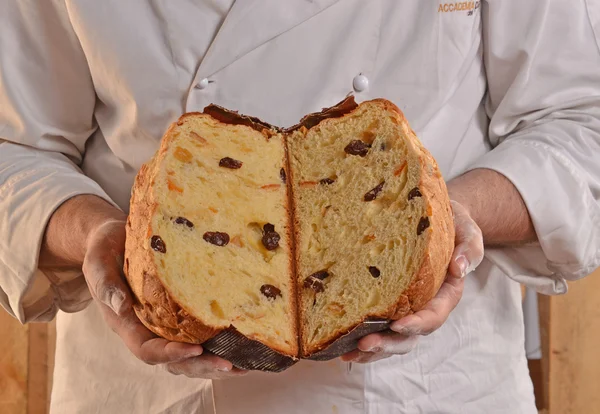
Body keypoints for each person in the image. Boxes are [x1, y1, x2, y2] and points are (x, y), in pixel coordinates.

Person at [1, 1, 598, 413]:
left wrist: (443, 218)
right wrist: (97, 234)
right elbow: (14, 150)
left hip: (421, 390)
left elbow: (580, 123)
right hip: (150, 388)